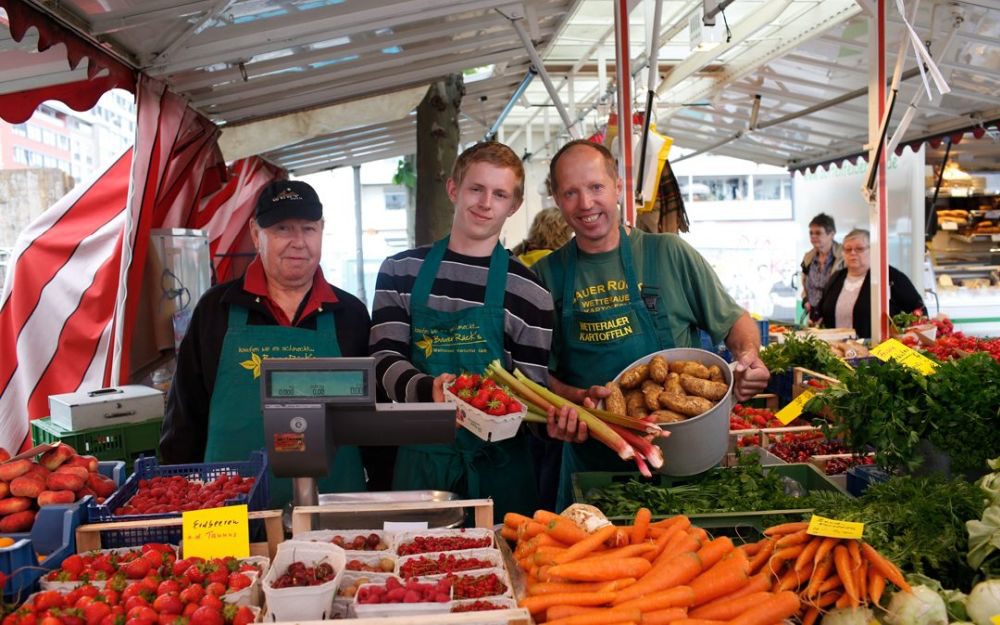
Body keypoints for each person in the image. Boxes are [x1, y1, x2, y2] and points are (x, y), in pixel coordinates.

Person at [532, 140, 771, 510]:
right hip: (595, 469)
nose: (586, 204)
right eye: (570, 192)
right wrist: (569, 403)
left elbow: (734, 320)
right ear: (556, 199)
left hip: (684, 462)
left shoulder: (669, 253)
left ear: (617, 187)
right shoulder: (545, 276)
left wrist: (748, 355)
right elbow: (538, 376)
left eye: (596, 187)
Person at [368, 142, 557, 521]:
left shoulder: (530, 292)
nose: (485, 203)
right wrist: (428, 390)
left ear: (513, 206)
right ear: (454, 189)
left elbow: (529, 389)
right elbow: (381, 359)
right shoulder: (400, 271)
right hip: (421, 466)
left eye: (499, 194)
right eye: (476, 188)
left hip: (500, 473)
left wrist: (553, 419)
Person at [161, 180, 371, 506]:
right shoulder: (216, 310)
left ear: (322, 231)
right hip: (231, 512)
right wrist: (176, 502)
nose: (298, 242)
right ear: (256, 233)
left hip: (335, 513)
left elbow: (373, 424)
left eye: (308, 228)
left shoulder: (351, 315)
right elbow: (185, 418)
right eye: (282, 229)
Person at [510, 205, 573, 511]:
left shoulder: (516, 261)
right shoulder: (552, 270)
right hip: (546, 386)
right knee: (548, 474)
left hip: (518, 394)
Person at [816, 229, 925, 339]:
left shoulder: (889, 276)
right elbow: (821, 312)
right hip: (837, 350)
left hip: (878, 350)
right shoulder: (836, 278)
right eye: (848, 249)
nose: (853, 253)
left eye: (859, 249)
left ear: (872, 251)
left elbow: (918, 311)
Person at [800, 213, 844, 323]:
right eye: (811, 233)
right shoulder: (808, 257)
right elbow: (804, 284)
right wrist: (805, 300)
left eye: (818, 233)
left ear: (832, 234)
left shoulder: (843, 257)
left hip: (836, 317)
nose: (813, 237)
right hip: (813, 317)